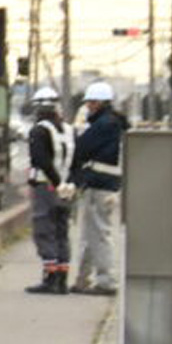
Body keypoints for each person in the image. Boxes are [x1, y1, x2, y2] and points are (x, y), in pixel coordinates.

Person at [67, 79, 126, 296]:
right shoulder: (116, 122)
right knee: (91, 234)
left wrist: (73, 177)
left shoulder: (104, 124)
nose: (88, 107)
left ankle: (106, 281)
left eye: (91, 103)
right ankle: (83, 279)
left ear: (101, 103)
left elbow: (82, 147)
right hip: (105, 185)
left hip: (99, 185)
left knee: (99, 234)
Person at [22, 83, 72, 294]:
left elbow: (40, 159)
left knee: (45, 228)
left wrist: (55, 182)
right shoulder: (69, 130)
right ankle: (62, 278)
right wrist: (67, 183)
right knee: (62, 230)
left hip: (47, 186)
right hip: (67, 188)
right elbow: (77, 160)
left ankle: (50, 277)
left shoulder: (39, 130)